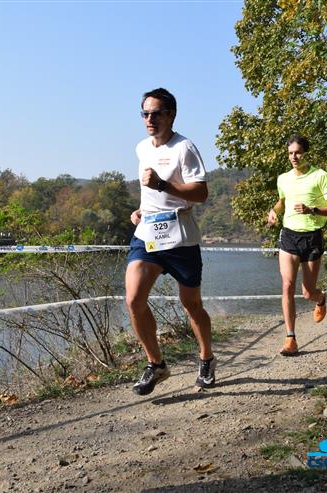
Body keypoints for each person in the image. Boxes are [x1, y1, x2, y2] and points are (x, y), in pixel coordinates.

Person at [125, 88, 216, 395]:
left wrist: (163, 184)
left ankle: (206, 358)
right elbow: (149, 192)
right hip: (147, 235)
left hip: (180, 239)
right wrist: (141, 210)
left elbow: (201, 193)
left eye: (155, 113)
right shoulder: (141, 148)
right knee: (134, 300)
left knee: (192, 305)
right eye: (145, 113)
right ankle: (156, 364)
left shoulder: (184, 147)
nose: (149, 119)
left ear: (171, 115)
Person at [267, 135, 327, 356]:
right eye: (290, 153)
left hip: (312, 237)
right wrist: (274, 211)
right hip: (289, 235)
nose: (294, 157)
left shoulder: (321, 176)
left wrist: (312, 210)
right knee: (287, 285)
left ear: (306, 153)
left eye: (298, 152)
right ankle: (291, 338)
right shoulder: (283, 179)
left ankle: (321, 298)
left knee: (308, 292)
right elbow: (282, 201)